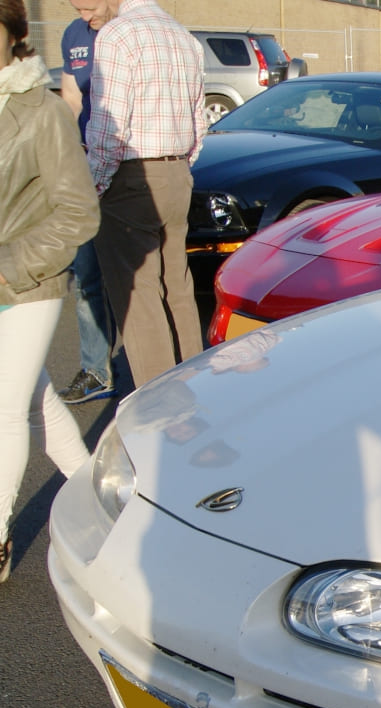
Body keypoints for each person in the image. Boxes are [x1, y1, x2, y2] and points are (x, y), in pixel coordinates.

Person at [0, 0, 98, 581]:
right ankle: (98, 495)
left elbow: (77, 213)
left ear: (16, 37)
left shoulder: (40, 113)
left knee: (4, 411)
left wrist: (7, 266)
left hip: (26, 283)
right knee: (36, 397)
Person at [87, 0, 206, 388]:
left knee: (140, 298)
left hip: (131, 175)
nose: (84, 15)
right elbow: (198, 118)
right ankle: (197, 390)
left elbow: (108, 125)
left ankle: (162, 410)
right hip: (176, 172)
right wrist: (182, 166)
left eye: (85, 5)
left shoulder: (117, 35)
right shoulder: (184, 37)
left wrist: (95, 187)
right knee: (178, 288)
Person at [57, 0, 118, 405]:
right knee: (86, 276)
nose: (84, 15)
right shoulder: (74, 35)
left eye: (90, 5)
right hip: (85, 170)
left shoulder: (130, 30)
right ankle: (97, 370)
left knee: (142, 280)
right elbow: (70, 99)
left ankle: (167, 373)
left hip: (126, 165)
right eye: (76, 6)